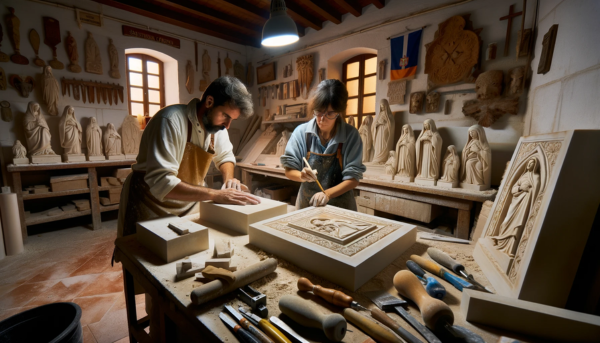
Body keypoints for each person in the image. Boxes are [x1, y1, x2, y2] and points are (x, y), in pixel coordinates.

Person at [117, 76, 260, 239]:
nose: (227, 125)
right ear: (209, 102)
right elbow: (162, 181)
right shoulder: (170, 121)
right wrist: (214, 194)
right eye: (225, 116)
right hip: (151, 201)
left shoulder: (217, 128)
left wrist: (229, 181)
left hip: (189, 200)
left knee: (189, 250)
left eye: (232, 120)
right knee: (145, 254)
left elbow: (225, 156)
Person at [280, 79, 365, 210]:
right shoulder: (301, 133)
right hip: (307, 205)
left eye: (329, 113)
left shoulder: (351, 135)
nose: (322, 118)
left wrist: (327, 194)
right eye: (319, 111)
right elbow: (289, 170)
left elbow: (353, 179)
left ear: (339, 112)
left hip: (341, 208)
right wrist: (301, 176)